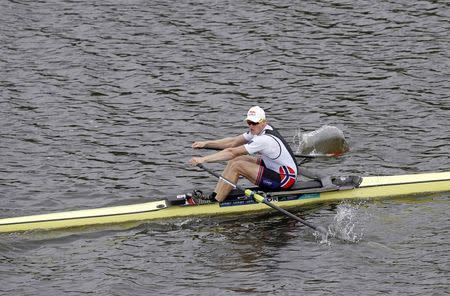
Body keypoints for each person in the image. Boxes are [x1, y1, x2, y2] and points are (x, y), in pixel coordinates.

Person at [190, 106, 298, 203]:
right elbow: (232, 142)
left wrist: (203, 159)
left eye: (254, 123)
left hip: (285, 179)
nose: (251, 126)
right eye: (249, 122)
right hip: (274, 166)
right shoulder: (260, 130)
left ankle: (216, 202)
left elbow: (231, 152)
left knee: (237, 166)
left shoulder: (264, 139)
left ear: (263, 122)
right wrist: (206, 144)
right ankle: (215, 195)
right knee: (236, 159)